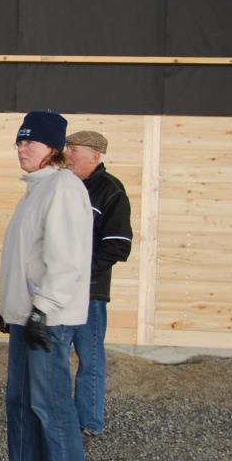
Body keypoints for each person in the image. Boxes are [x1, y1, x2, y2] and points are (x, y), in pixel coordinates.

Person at [0, 110, 93, 461]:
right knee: (19, 404)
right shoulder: (36, 190)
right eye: (19, 142)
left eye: (30, 142)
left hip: (49, 318)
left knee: (50, 407)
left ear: (54, 148)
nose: (22, 148)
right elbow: (26, 258)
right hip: (25, 317)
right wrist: (9, 307)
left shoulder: (63, 189)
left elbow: (65, 260)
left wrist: (42, 309)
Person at [65, 130, 132, 436]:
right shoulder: (63, 186)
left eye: (74, 149)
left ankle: (88, 422)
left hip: (89, 292)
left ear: (95, 156)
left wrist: (82, 273)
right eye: (67, 148)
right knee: (54, 355)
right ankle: (58, 415)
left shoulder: (110, 190)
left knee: (89, 357)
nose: (67, 154)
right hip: (58, 289)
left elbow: (118, 245)